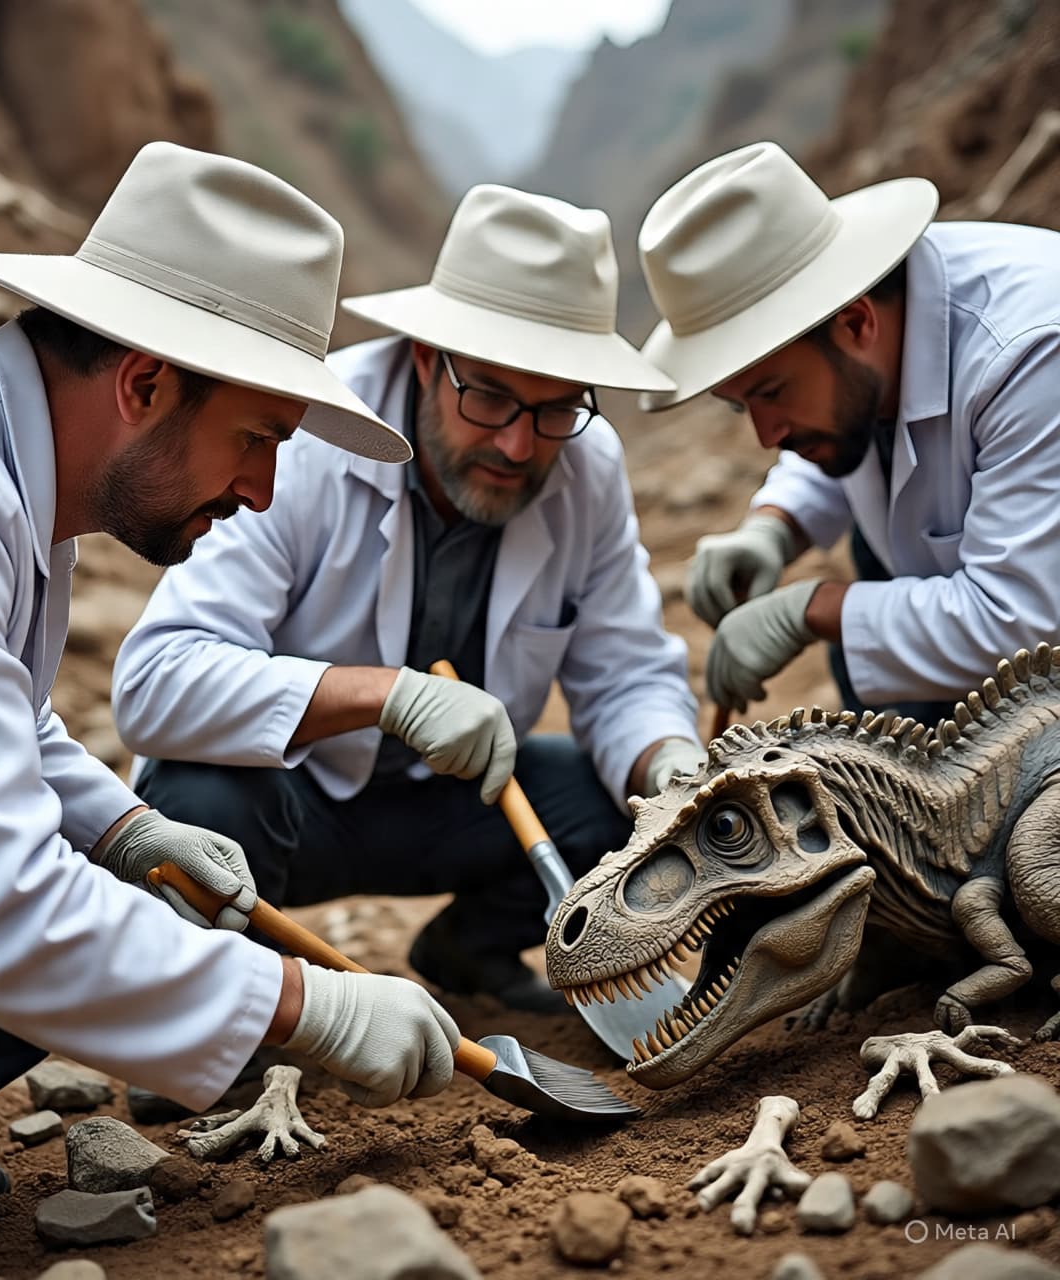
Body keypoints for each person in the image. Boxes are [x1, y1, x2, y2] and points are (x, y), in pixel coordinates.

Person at [0, 143, 461, 1280]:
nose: (259, 491)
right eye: (259, 437)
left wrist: (122, 829)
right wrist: (308, 1005)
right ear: (144, 382)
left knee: (112, 892)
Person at [112, 183, 703, 1015]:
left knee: (621, 807)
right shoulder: (305, 434)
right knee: (195, 796)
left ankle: (470, 949)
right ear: (427, 356)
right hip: (294, 803)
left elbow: (627, 674)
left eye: (557, 406)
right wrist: (383, 696)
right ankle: (217, 1008)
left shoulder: (585, 463)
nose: (518, 443)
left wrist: (667, 766)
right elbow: (157, 683)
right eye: (490, 396)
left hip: (457, 811)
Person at [635, 141, 1060, 723]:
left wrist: (812, 608)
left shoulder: (1031, 355)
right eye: (739, 407)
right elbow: (834, 436)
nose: (765, 436)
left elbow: (1021, 622)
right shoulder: (867, 341)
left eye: (771, 393)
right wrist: (774, 527)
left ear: (856, 321)